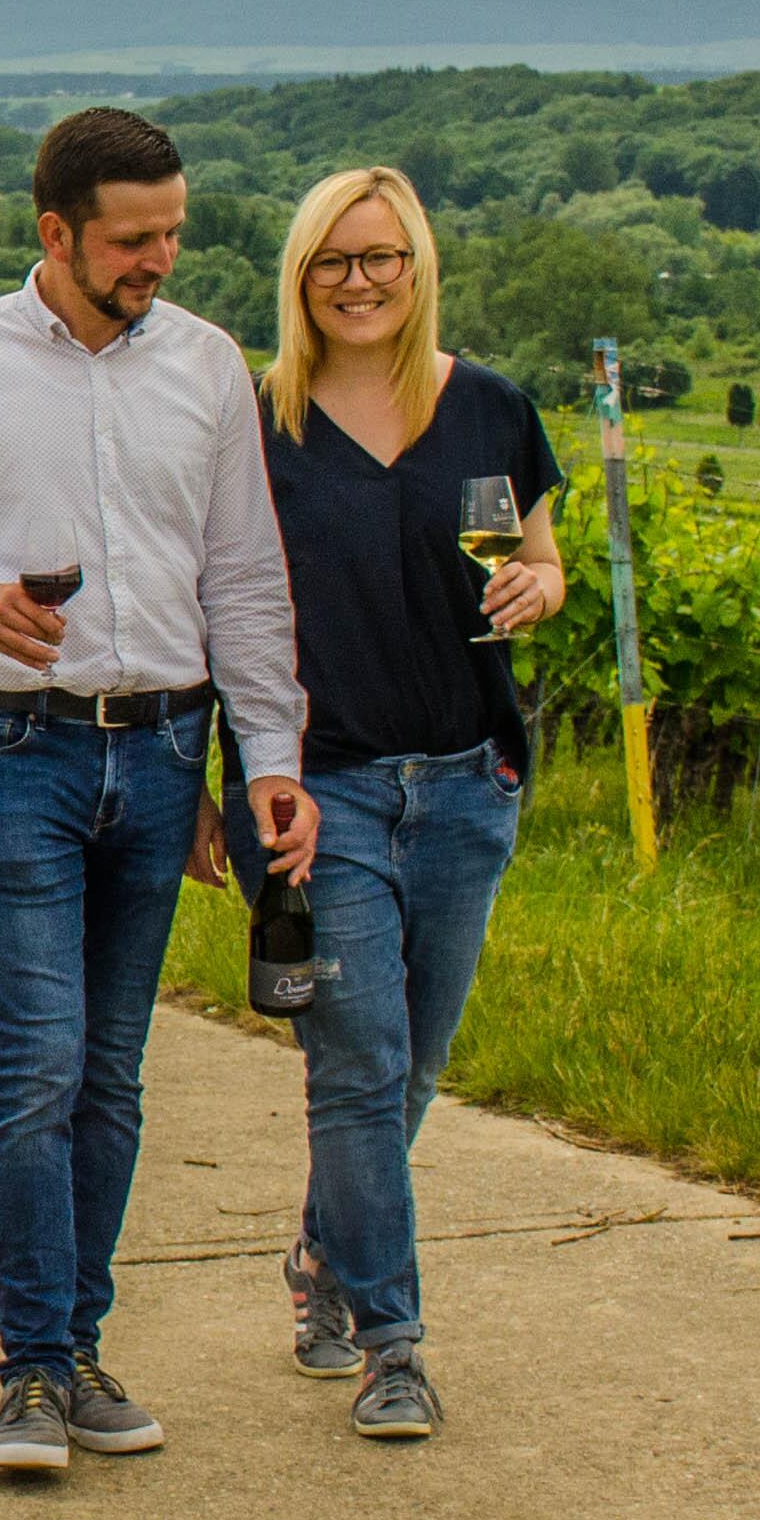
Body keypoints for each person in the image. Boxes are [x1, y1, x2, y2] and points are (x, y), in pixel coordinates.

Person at [0, 108, 310, 1476]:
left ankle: (80, 1343)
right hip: (13, 750)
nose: (158, 256)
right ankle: (30, 1366)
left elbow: (243, 579)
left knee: (110, 1071)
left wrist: (264, 762)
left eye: (171, 230)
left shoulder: (209, 366)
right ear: (54, 233)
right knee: (37, 1055)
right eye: (130, 237)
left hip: (162, 753)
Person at [192, 165, 566, 1442]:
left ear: (417, 265)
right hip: (316, 787)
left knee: (411, 1066)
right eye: (330, 261)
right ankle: (391, 1342)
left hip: (465, 780)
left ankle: (321, 1254)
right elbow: (217, 617)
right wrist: (215, 783)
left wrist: (542, 586)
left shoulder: (492, 412)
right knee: (357, 1068)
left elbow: (537, 552)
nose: (356, 281)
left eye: (379, 257)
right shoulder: (257, 427)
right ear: (299, 279)